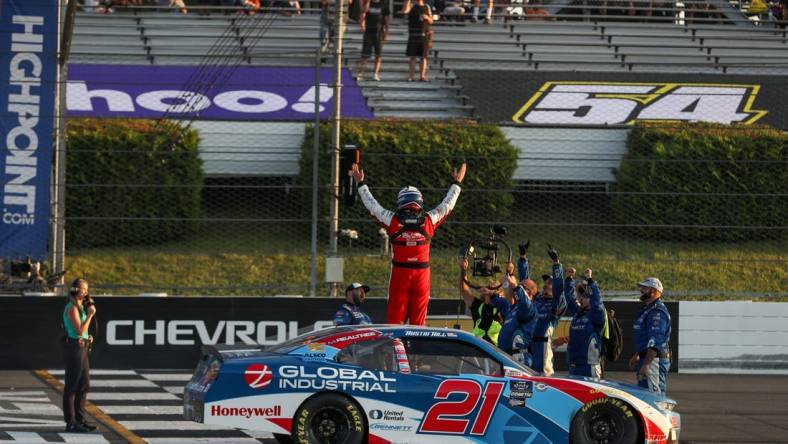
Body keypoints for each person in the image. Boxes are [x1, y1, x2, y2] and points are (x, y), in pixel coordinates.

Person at [350, 162, 466, 326]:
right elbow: (448, 205)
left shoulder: (392, 220)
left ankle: (396, 349)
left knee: (394, 322)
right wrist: (457, 183)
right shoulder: (429, 220)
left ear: (401, 202)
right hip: (422, 275)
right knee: (418, 323)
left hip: (400, 274)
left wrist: (361, 184)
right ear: (419, 202)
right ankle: (417, 349)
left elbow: (372, 206)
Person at [517, 243, 567, 376]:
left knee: (544, 380)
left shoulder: (557, 305)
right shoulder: (537, 299)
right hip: (528, 345)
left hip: (543, 347)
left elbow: (559, 287)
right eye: (545, 282)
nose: (545, 284)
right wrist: (523, 258)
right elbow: (525, 285)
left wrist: (556, 263)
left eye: (549, 282)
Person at [62, 278, 97, 433]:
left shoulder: (80, 307)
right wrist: (90, 315)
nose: (86, 292)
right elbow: (79, 331)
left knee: (84, 384)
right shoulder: (72, 308)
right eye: (83, 289)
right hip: (74, 348)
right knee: (72, 386)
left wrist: (88, 336)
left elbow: (84, 332)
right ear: (76, 290)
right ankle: (70, 422)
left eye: (87, 289)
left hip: (82, 347)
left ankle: (80, 418)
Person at [629, 277, 672, 395]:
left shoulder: (657, 311)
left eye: (644, 288)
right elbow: (646, 337)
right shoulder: (647, 310)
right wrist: (639, 354)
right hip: (647, 359)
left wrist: (647, 363)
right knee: (645, 398)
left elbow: (655, 340)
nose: (641, 290)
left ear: (653, 291)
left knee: (654, 399)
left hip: (654, 361)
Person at [563, 268, 606, 378]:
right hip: (573, 366)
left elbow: (597, 301)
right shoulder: (578, 312)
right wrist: (569, 279)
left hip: (590, 367)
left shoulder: (596, 315)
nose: (581, 298)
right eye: (581, 296)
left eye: (585, 296)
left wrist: (590, 280)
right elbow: (569, 298)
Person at [459, 257, 510, 346]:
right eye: (489, 287)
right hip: (477, 347)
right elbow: (464, 290)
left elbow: (511, 294)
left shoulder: (504, 307)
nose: (489, 290)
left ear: (500, 293)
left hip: (496, 351)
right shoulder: (478, 305)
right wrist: (463, 270)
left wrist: (510, 272)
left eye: (494, 289)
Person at [500, 269, 538, 367]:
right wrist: (508, 274)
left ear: (529, 292)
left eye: (522, 286)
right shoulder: (514, 307)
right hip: (506, 357)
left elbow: (522, 299)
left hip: (520, 358)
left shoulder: (529, 307)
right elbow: (509, 295)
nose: (518, 287)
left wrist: (514, 285)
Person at [357, 0, 390, 81]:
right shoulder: (368, 2)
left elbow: (386, 20)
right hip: (368, 32)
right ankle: (361, 73)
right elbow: (364, 11)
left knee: (378, 55)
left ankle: (375, 74)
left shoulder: (384, 4)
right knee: (365, 55)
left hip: (379, 33)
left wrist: (387, 32)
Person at [402, 0, 433, 82]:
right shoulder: (411, 6)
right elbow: (405, 10)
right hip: (413, 33)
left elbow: (431, 20)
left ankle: (422, 76)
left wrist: (427, 17)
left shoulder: (427, 7)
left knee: (423, 57)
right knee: (413, 57)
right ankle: (411, 76)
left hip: (424, 35)